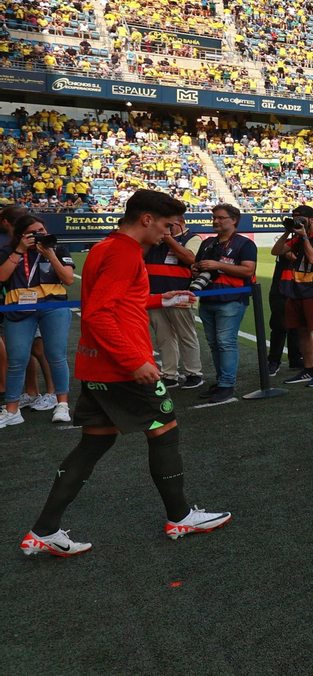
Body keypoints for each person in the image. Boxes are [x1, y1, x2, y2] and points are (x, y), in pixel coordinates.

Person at [19, 190, 230, 558]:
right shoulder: (124, 253)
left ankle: (44, 531)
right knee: (165, 431)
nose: (167, 233)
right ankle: (180, 517)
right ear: (146, 219)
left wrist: (163, 298)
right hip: (120, 368)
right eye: (166, 226)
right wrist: (134, 361)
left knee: (94, 443)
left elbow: (116, 301)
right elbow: (98, 314)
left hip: (98, 365)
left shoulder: (106, 247)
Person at [0, 216, 74, 426]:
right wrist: (19, 251)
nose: (40, 234)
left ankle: (62, 405)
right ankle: (12, 411)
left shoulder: (58, 249)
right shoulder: (8, 251)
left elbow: (68, 279)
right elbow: (2, 277)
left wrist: (51, 256)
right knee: (16, 359)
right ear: (22, 235)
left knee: (56, 356)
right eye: (34, 232)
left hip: (53, 306)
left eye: (42, 229)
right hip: (18, 308)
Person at [192, 203, 257, 406]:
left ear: (234, 220)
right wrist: (196, 269)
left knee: (225, 342)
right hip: (208, 298)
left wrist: (217, 265)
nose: (216, 221)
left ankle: (227, 384)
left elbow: (248, 271)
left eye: (221, 218)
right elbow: (196, 266)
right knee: (214, 344)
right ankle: (221, 381)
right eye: (214, 218)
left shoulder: (244, 244)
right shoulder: (207, 243)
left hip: (232, 300)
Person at [273, 206, 313, 387]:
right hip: (298, 288)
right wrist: (287, 232)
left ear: (311, 219)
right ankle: (308, 368)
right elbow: (276, 251)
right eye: (295, 218)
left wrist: (305, 238)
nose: (297, 221)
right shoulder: (298, 237)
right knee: (302, 330)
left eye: (301, 218)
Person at [144, 216, 204, 389]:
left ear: (180, 222)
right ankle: (170, 374)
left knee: (186, 335)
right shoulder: (154, 238)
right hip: (155, 295)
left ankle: (193, 373)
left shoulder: (192, 238)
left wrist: (168, 238)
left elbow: (190, 258)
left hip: (181, 294)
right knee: (163, 337)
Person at [265, 242, 303, 379]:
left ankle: (296, 358)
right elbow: (286, 254)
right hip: (281, 290)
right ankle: (273, 361)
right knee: (279, 327)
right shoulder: (288, 245)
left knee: (296, 327)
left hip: (298, 289)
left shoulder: (305, 244)